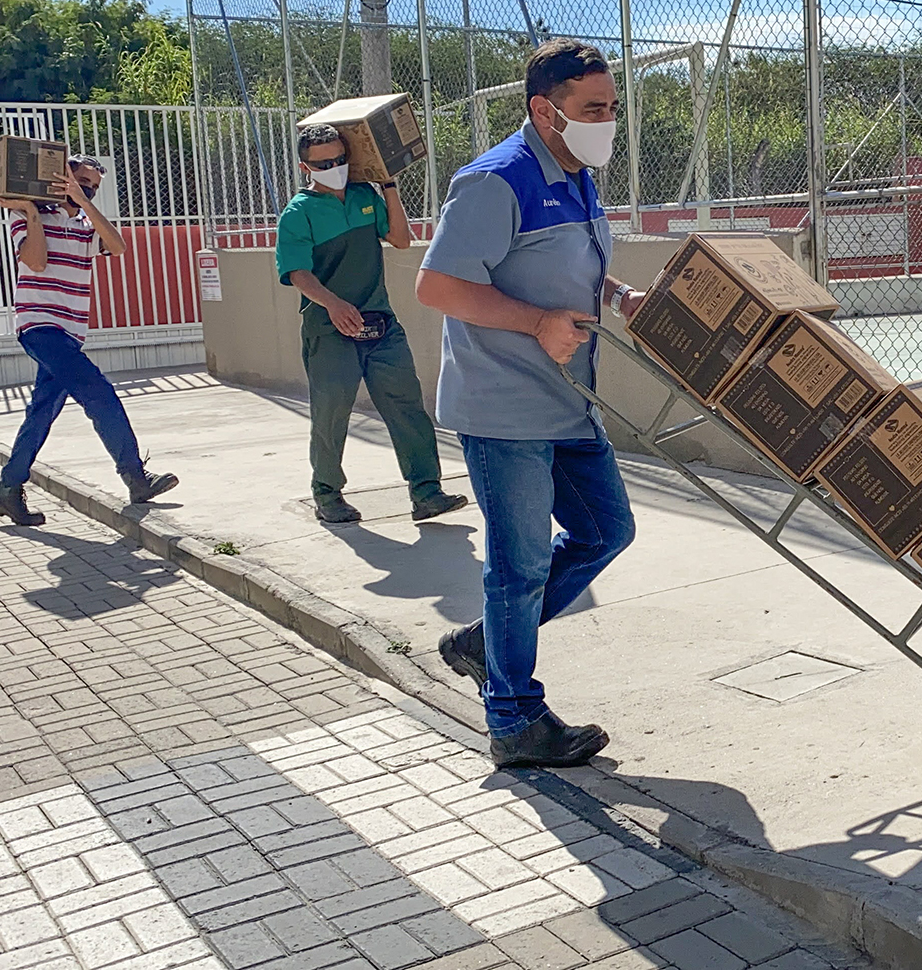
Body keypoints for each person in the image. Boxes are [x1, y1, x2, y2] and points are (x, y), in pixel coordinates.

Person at [417, 39, 645, 768]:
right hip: (503, 406)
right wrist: (535, 323)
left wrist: (611, 293)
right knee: (517, 569)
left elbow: (559, 265)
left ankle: (486, 642)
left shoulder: (575, 173)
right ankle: (513, 719)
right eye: (592, 109)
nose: (607, 121)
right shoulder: (494, 181)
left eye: (612, 107)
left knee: (606, 530)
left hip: (567, 400)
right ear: (544, 110)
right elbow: (439, 286)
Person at [275, 123, 467, 524]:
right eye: (324, 163)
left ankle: (426, 491)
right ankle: (327, 493)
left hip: (380, 323)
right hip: (330, 330)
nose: (336, 167)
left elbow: (400, 238)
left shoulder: (364, 197)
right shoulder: (298, 213)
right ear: (304, 166)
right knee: (332, 410)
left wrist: (389, 186)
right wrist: (332, 304)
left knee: (407, 405)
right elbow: (297, 273)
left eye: (341, 159)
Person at [0, 155, 179, 526]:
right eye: (81, 180)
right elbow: (36, 262)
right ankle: (135, 478)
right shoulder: (27, 217)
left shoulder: (86, 225)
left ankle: (7, 490)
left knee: (41, 413)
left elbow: (118, 247)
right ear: (60, 179)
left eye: (93, 184)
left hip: (71, 333)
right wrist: (30, 209)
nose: (86, 187)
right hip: (40, 328)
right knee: (100, 394)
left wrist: (85, 202)